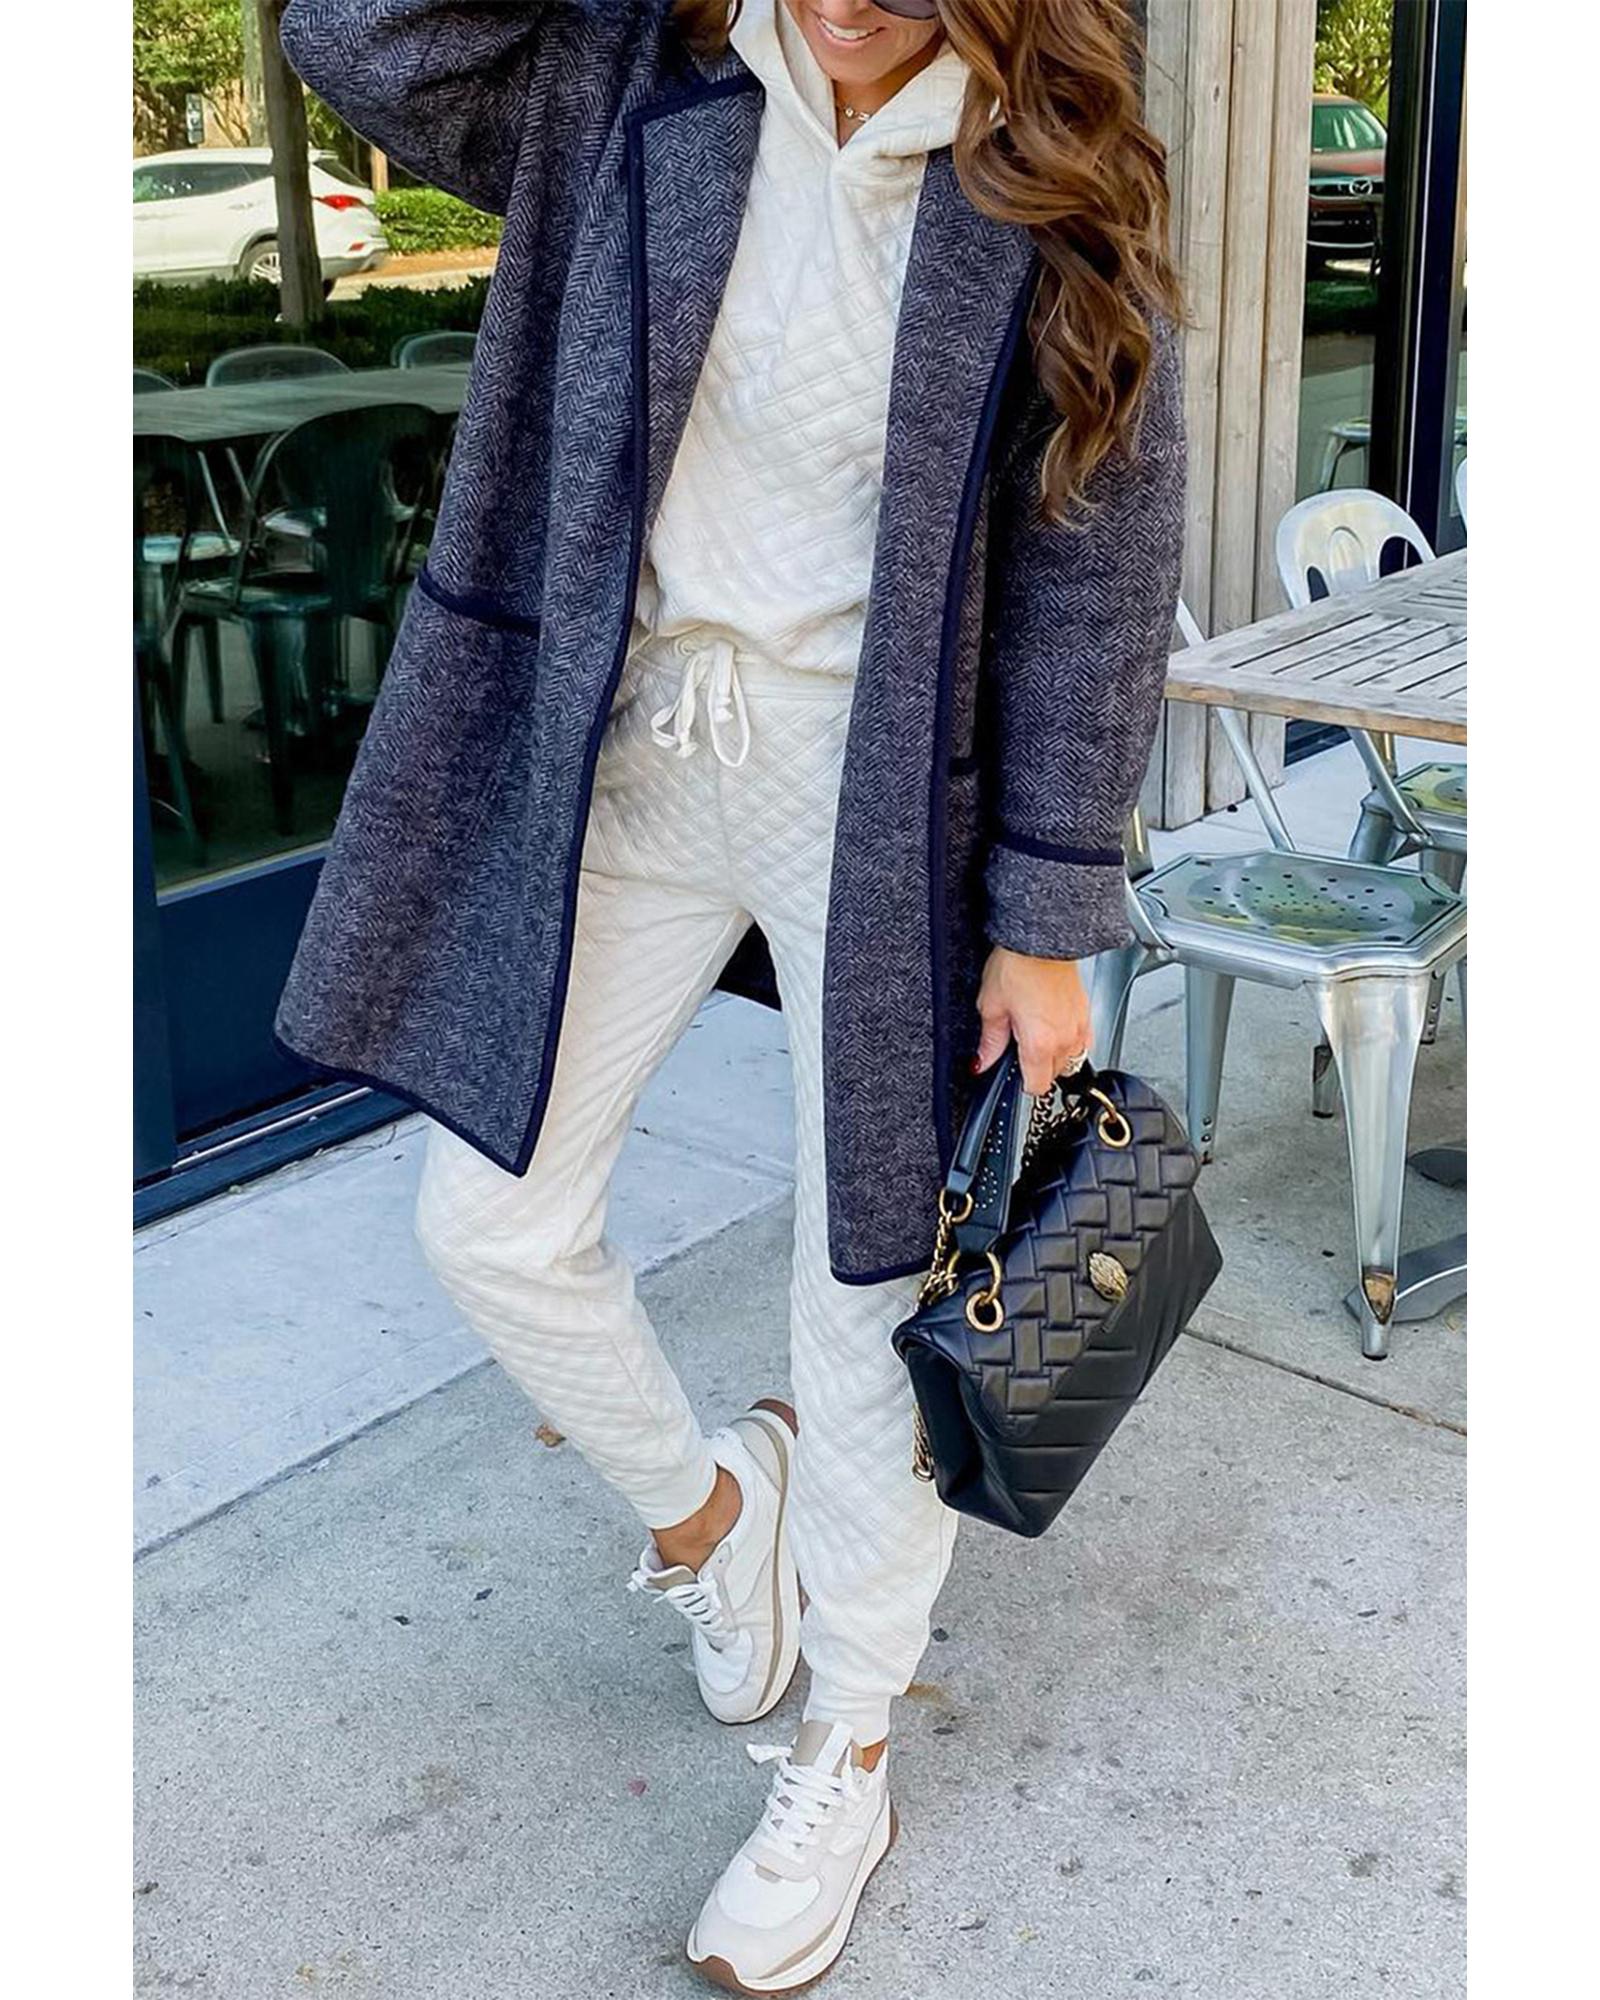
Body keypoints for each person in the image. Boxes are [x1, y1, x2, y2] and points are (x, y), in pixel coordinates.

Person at [275, 0, 1187, 1988]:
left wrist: (1046, 904)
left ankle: (846, 1740)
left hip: (879, 796)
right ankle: (713, 1527)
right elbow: (354, 36)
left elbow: (1097, 564)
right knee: (488, 1221)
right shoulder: (628, 70)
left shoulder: (1042, 174)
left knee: (864, 1292)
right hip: (624, 747)